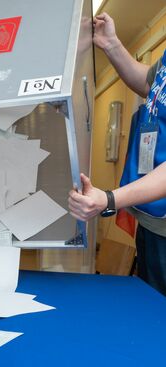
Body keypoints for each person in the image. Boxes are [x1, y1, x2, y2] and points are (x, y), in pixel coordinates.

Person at [69, 13, 166, 295]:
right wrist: (111, 44)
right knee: (152, 305)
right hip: (154, 215)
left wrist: (109, 199)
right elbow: (150, 85)